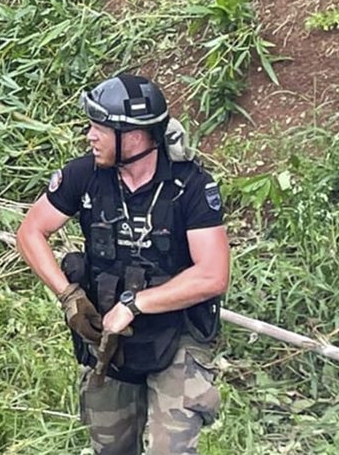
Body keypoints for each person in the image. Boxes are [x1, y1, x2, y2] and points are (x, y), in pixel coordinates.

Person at [16, 74, 230, 455]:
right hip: (109, 340)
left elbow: (213, 275)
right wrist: (68, 296)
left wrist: (135, 304)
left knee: (171, 450)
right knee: (110, 449)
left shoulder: (190, 186)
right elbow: (31, 233)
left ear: (133, 135)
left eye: (99, 127)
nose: (89, 135)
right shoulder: (85, 176)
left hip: (176, 334)